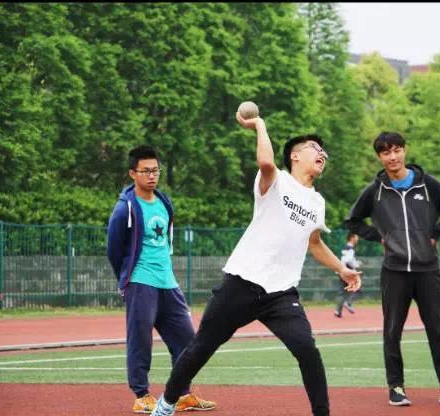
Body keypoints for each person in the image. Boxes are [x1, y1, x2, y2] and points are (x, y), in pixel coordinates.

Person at [150, 114, 362, 416]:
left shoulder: (317, 203)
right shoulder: (277, 181)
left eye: (324, 152)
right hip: (242, 282)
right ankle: (167, 403)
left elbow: (314, 243)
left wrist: (341, 268)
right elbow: (265, 162)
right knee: (202, 347)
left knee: (307, 349)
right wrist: (260, 124)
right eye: (315, 148)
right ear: (295, 156)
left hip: (281, 294)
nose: (322, 154)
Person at [344, 131, 440, 406]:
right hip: (394, 271)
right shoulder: (375, 190)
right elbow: (352, 220)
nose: (393, 157)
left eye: (397, 150)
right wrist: (380, 237)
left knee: (439, 330)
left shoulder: (428, 184)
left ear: (405, 151)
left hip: (428, 270)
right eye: (386, 152)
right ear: (380, 157)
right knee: (392, 331)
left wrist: (436, 232)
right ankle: (396, 387)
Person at [107, 145, 216, 413]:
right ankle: (141, 395)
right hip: (141, 281)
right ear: (133, 173)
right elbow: (114, 249)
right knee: (140, 339)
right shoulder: (125, 209)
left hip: (168, 282)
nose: (152, 176)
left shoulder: (164, 202)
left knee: (188, 340)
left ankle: (183, 394)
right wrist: (127, 279)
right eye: (146, 171)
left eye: (155, 170)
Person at [334, 233, 362, 317]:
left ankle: (338, 311)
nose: (357, 238)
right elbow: (348, 260)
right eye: (356, 236)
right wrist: (356, 264)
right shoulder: (350, 248)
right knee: (357, 289)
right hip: (348, 271)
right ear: (352, 238)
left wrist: (340, 269)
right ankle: (348, 302)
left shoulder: (344, 247)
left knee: (341, 291)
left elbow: (343, 259)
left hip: (341, 271)